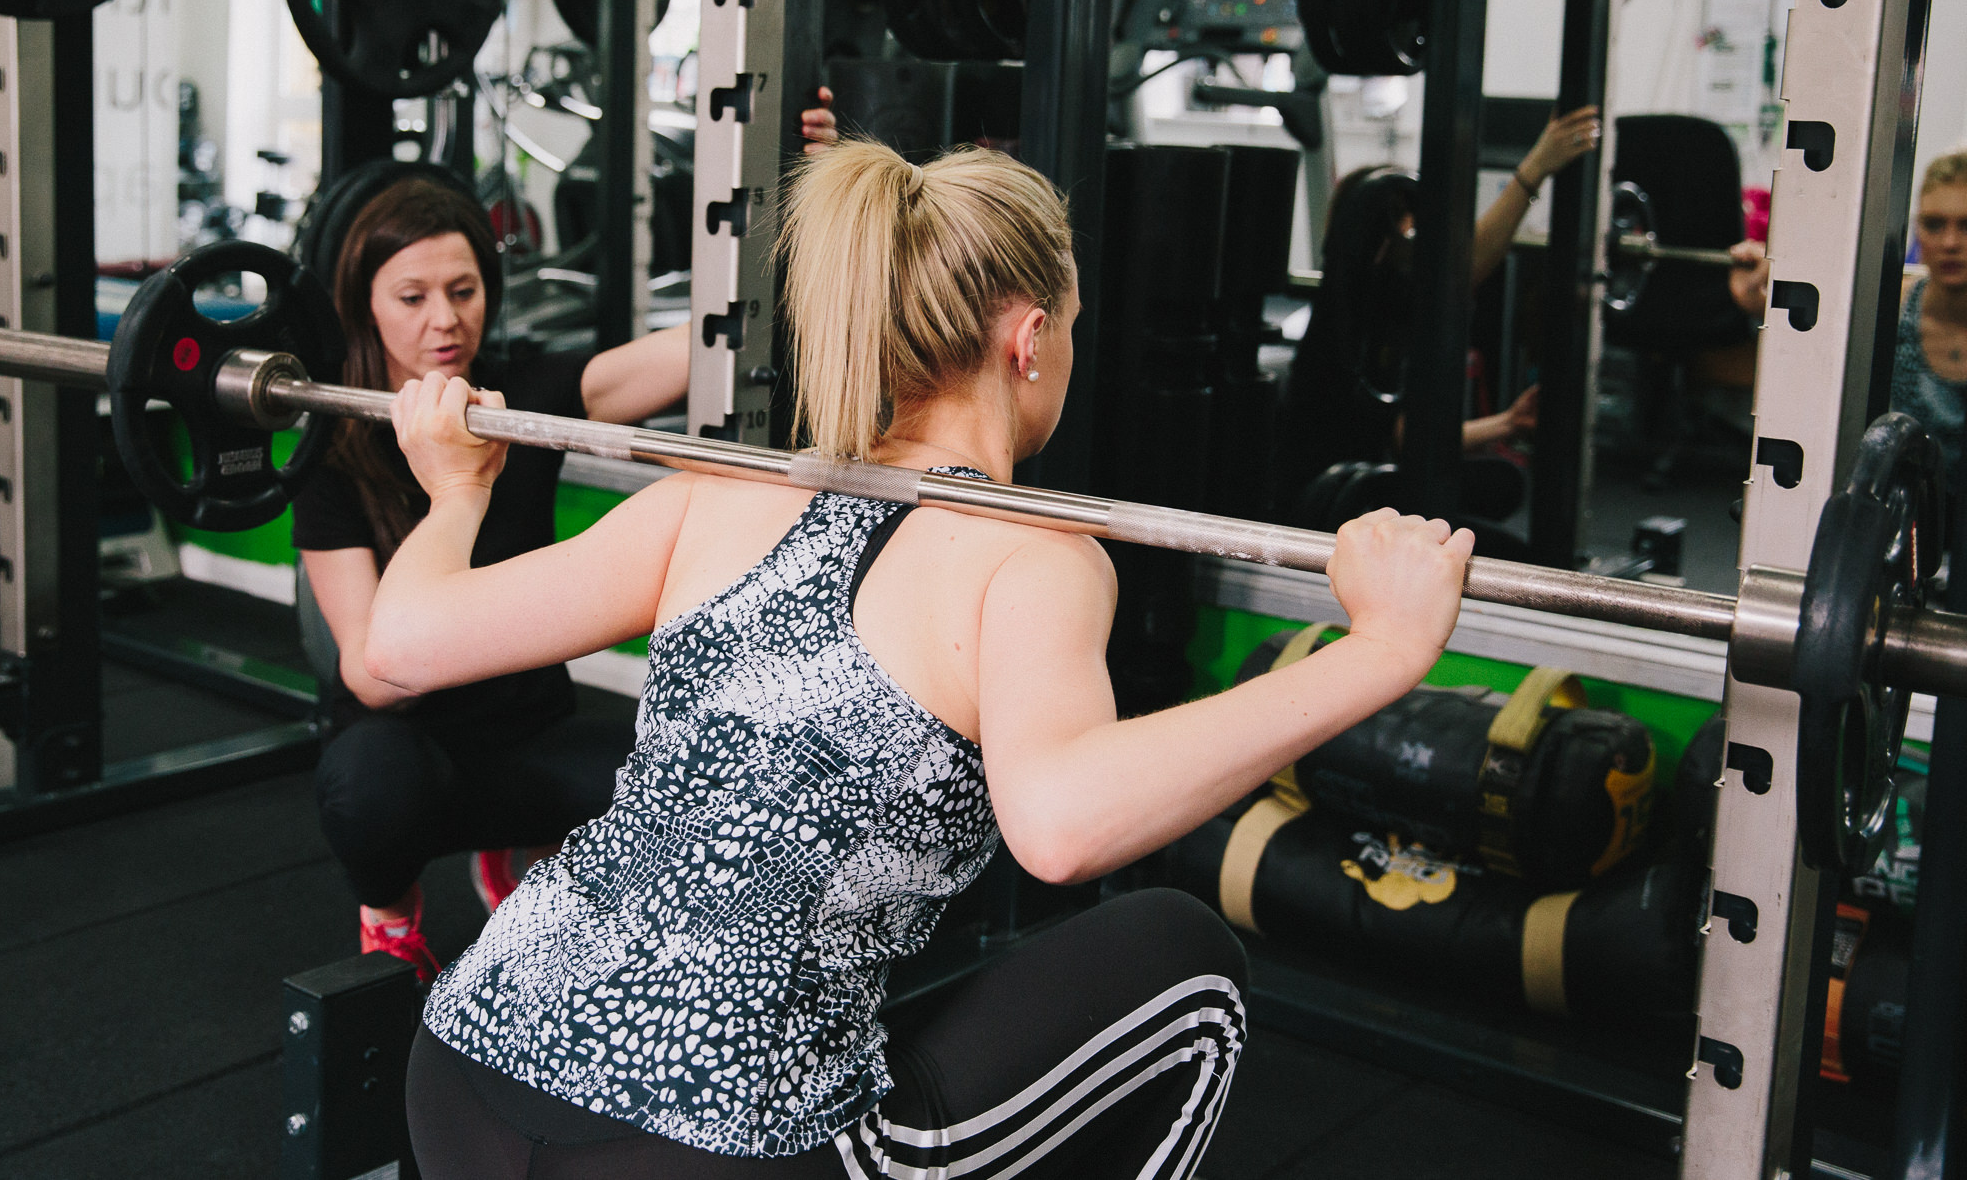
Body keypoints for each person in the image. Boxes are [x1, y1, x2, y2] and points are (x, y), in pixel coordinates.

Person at [360, 139, 1474, 1176]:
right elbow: (1062, 827)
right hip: (699, 1150)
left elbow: (400, 643)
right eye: (1072, 326)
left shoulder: (725, 492)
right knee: (1188, 969)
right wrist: (1377, 649)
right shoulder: (1034, 555)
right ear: (1028, 339)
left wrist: (455, 491)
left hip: (461, 1075)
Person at [291, 89, 842, 980]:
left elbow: (713, 343)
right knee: (368, 790)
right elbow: (369, 670)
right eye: (414, 296)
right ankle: (389, 910)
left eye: (464, 291)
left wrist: (803, 197)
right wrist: (453, 482)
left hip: (529, 740)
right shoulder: (336, 453)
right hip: (408, 754)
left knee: (688, 775)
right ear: (365, 308)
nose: (445, 320)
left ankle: (517, 850)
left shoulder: (525, 397)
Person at [1273, 105, 1601, 521]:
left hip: (1365, 491)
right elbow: (1462, 270)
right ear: (1381, 241)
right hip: (1335, 508)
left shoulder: (1370, 314)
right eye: (1412, 231)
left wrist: (1507, 423)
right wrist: (1534, 169)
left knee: (1502, 489)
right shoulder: (1357, 319)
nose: (1424, 248)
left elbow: (1401, 434)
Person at [1730, 149, 1967, 484]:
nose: (1950, 242)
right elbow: (1793, 308)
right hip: (1899, 510)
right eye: (1934, 224)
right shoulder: (1889, 304)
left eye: (1966, 226)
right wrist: (1763, 280)